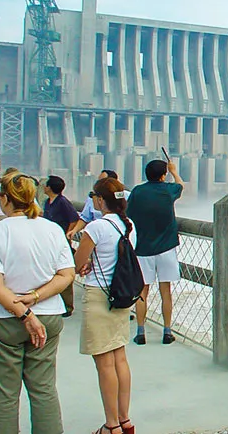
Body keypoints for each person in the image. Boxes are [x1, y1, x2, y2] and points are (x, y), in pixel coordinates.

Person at [0, 172, 75, 433]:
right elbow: (66, 275)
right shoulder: (52, 229)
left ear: (5, 199)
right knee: (43, 389)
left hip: (3, 320)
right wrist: (36, 298)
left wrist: (24, 314)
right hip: (48, 316)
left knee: (3, 395)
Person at [73, 178, 138, 434]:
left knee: (104, 363)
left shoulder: (96, 226)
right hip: (120, 296)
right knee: (120, 358)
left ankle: (111, 426)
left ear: (100, 200)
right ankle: (125, 420)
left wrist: (85, 263)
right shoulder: (126, 224)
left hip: (99, 297)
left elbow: (78, 261)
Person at [127, 160, 184, 345]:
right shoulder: (168, 190)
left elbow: (128, 212)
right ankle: (167, 332)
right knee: (165, 291)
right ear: (163, 175)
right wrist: (174, 171)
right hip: (166, 248)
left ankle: (140, 331)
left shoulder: (137, 191)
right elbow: (181, 186)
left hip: (143, 248)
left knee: (142, 291)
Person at [42, 175, 81, 317]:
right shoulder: (48, 202)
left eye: (46, 185)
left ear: (50, 188)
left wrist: (67, 233)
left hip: (60, 242)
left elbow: (74, 218)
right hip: (49, 242)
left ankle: (67, 306)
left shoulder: (63, 202)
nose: (44, 187)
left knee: (63, 270)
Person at [67, 170, 130, 240]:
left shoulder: (125, 195)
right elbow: (85, 217)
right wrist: (74, 230)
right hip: (98, 234)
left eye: (102, 181)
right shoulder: (93, 196)